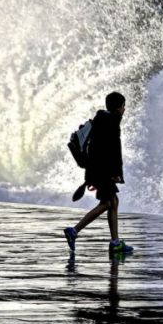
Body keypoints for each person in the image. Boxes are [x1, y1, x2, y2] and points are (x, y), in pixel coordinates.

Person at [64, 92, 133, 256]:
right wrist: (116, 174)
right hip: (103, 171)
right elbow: (114, 152)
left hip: (96, 169)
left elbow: (96, 148)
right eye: (123, 106)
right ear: (117, 108)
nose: (124, 109)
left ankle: (115, 242)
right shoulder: (112, 123)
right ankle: (74, 230)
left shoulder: (100, 120)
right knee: (108, 203)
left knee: (113, 202)